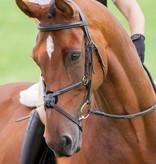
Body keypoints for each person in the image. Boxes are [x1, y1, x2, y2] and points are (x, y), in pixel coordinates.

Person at [20, 0, 145, 163]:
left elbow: (132, 8)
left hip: (105, 56)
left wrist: (137, 38)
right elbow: (44, 21)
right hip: (66, 63)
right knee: (43, 111)